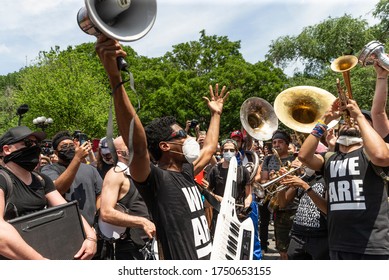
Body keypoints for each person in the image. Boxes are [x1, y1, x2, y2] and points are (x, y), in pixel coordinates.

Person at [95, 36, 228, 260]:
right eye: (182, 135)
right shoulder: (155, 180)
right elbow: (137, 143)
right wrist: (115, 79)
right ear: (165, 146)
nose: (189, 139)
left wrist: (216, 114)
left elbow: (211, 147)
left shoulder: (186, 171)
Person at [298, 98, 389, 260]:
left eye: (356, 122)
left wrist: (360, 116)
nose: (350, 122)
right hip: (338, 244)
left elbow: (381, 156)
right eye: (347, 121)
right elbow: (304, 156)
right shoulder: (329, 158)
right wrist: (325, 120)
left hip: (372, 246)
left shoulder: (371, 154)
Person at [0, 126, 97, 259]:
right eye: (28, 143)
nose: (34, 148)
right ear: (7, 150)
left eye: (36, 143)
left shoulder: (41, 180)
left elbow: (68, 210)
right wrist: (40, 261)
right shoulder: (2, 179)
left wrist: (91, 238)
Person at [98, 136, 156, 260]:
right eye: (130, 146)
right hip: (130, 248)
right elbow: (106, 213)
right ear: (119, 153)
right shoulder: (115, 174)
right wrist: (142, 222)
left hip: (150, 242)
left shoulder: (140, 171)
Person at [41, 131, 102, 227]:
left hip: (91, 227)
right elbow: (57, 190)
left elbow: (100, 194)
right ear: (56, 152)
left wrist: (98, 220)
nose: (69, 148)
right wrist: (77, 158)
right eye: (64, 147)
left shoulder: (90, 169)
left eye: (71, 145)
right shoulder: (49, 169)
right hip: (64, 227)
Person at [278, 156, 330, 260]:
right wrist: (281, 184)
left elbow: (327, 209)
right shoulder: (303, 178)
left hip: (319, 236)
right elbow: (282, 203)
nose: (303, 164)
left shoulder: (326, 179)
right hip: (298, 234)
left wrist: (305, 186)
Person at [260, 129, 297, 259]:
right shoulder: (268, 159)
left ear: (287, 144)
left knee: (296, 246)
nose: (276, 145)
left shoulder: (295, 159)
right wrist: (271, 179)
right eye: (274, 142)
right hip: (278, 208)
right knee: (282, 247)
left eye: (280, 142)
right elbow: (263, 180)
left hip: (295, 207)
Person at [206, 139, 252, 237]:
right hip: (219, 212)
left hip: (237, 214)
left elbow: (248, 194)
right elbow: (208, 191)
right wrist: (217, 197)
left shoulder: (243, 171)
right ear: (222, 151)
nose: (228, 153)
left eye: (231, 150)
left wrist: (246, 205)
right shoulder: (215, 170)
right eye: (226, 150)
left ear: (236, 152)